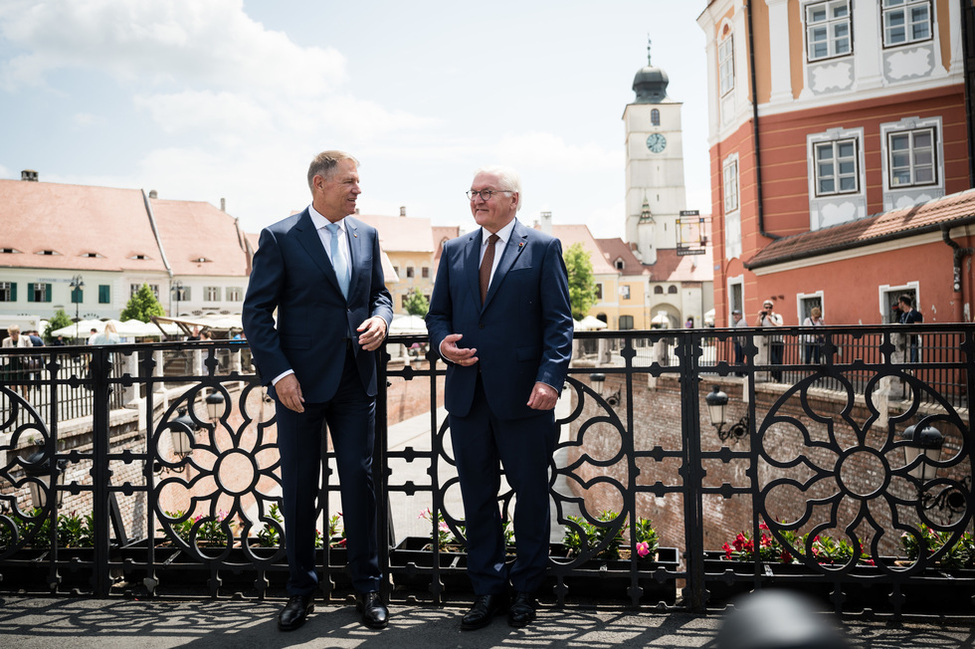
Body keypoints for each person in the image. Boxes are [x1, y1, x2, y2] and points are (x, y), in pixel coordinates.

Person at [242, 150, 392, 632]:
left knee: (360, 483)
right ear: (319, 184)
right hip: (299, 387)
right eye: (349, 181)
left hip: (356, 379)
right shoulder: (281, 237)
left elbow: (381, 295)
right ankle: (300, 592)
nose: (358, 189)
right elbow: (256, 314)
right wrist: (279, 374)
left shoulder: (366, 234)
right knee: (301, 486)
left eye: (358, 181)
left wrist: (381, 320)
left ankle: (368, 590)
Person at [426, 165, 573, 631]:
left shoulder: (544, 247)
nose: (476, 200)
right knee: (477, 498)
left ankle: (527, 591)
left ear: (513, 199)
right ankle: (487, 591)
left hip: (526, 398)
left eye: (486, 192)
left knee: (531, 495)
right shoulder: (454, 250)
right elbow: (437, 316)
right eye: (471, 192)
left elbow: (559, 324)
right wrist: (443, 342)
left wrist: (550, 380)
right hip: (468, 397)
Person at [2, 325, 33, 398]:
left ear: (18, 332)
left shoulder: (25, 338)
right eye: (10, 334)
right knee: (12, 381)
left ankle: (25, 396)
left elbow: (30, 350)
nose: (12, 335)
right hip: (10, 362)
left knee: (22, 381)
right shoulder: (6, 340)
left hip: (21, 363)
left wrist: (20, 353)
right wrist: (9, 354)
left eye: (13, 333)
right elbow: (3, 353)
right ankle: (14, 398)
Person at [755, 299, 783, 381]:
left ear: (772, 308)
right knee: (773, 360)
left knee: (778, 361)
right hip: (768, 342)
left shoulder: (777, 316)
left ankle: (779, 379)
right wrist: (759, 316)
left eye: (769, 307)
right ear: (763, 308)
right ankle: (774, 377)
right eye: (766, 307)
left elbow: (780, 326)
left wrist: (771, 322)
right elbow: (757, 326)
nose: (768, 309)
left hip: (778, 341)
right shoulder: (763, 317)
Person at [898, 294, 923, 362]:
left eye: (899, 303)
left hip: (912, 344)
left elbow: (917, 330)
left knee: (911, 364)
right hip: (903, 345)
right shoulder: (902, 315)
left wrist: (905, 332)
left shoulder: (916, 314)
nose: (898, 305)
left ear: (903, 303)